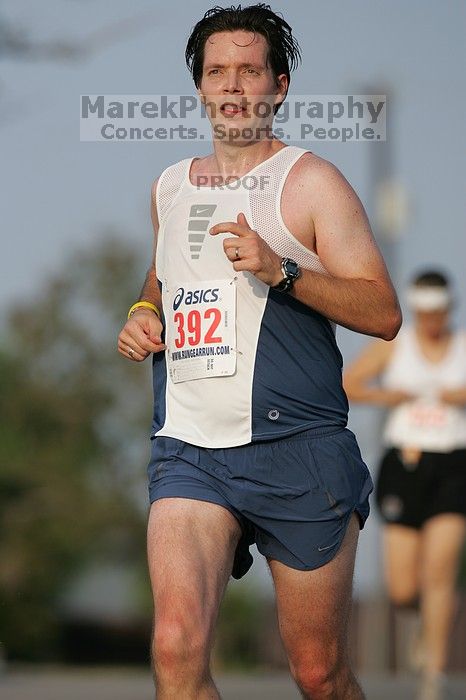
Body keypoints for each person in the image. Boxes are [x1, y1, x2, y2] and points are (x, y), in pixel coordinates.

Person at [117, 5, 401, 698]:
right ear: (201, 89)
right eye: (219, 73)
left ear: (278, 87)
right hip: (189, 450)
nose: (234, 88)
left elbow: (384, 312)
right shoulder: (171, 186)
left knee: (317, 671)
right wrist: (144, 310)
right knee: (176, 647)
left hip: (299, 450)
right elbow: (164, 269)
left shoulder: (311, 183)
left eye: (250, 72)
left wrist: (286, 273)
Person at [344, 270, 466, 700]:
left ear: (449, 310)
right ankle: (422, 625)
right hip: (404, 462)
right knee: (403, 586)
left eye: (438, 313)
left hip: (453, 463)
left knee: (441, 570)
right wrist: (388, 397)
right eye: (424, 313)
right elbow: (350, 383)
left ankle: (433, 673)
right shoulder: (396, 344)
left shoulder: (463, 346)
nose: (431, 321)